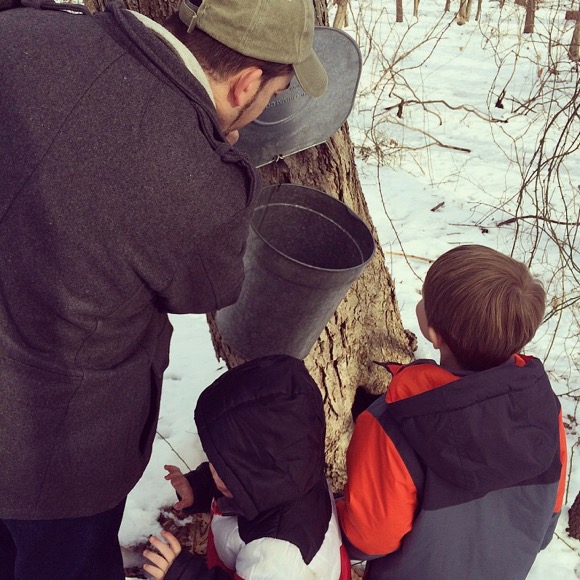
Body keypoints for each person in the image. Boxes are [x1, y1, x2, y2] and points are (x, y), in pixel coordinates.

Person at [0, 0, 327, 577]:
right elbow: (209, 287)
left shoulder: (25, 30)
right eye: (271, 99)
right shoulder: (201, 186)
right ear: (246, 83)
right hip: (57, 460)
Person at [336, 244, 567, 580]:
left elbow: (369, 538)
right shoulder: (545, 410)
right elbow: (547, 518)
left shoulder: (393, 424)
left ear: (433, 334)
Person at [142, 355, 350, 579]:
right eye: (216, 461)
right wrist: (197, 489)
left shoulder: (277, 556)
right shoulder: (296, 473)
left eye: (223, 467)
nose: (213, 470)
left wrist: (185, 574)